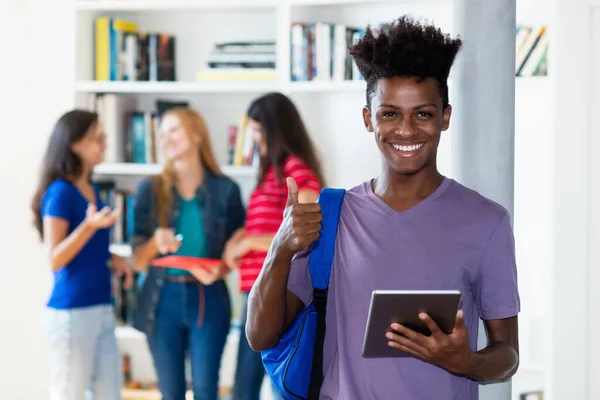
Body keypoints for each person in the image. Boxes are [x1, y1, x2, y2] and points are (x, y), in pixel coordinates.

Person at [245, 16, 520, 400]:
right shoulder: (332, 216)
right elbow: (260, 337)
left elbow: (508, 355)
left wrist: (467, 362)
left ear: (445, 117)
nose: (406, 130)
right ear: (368, 119)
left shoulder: (486, 222)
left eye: (423, 114)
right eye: (389, 113)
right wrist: (280, 248)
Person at [130, 107, 246, 400]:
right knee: (171, 393)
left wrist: (220, 269)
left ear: (196, 136)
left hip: (207, 299)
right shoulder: (149, 189)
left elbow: (235, 250)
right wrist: (156, 242)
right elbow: (138, 261)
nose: (165, 138)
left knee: (206, 391)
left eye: (174, 130)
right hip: (160, 300)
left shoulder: (226, 190)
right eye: (162, 133)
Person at [223, 92, 325, 400]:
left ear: (276, 128)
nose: (253, 137)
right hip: (257, 291)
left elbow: (306, 233)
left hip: (276, 295)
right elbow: (269, 225)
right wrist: (240, 237)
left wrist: (250, 243)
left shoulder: (296, 171)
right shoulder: (270, 173)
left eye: (258, 128)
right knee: (250, 384)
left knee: (270, 384)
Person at [32, 109, 134, 400]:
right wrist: (88, 227)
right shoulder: (60, 192)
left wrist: (113, 258)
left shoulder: (90, 188)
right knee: (69, 394)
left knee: (109, 394)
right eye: (97, 138)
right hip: (71, 314)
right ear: (74, 144)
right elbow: (55, 258)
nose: (104, 144)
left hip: (101, 309)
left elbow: (87, 250)